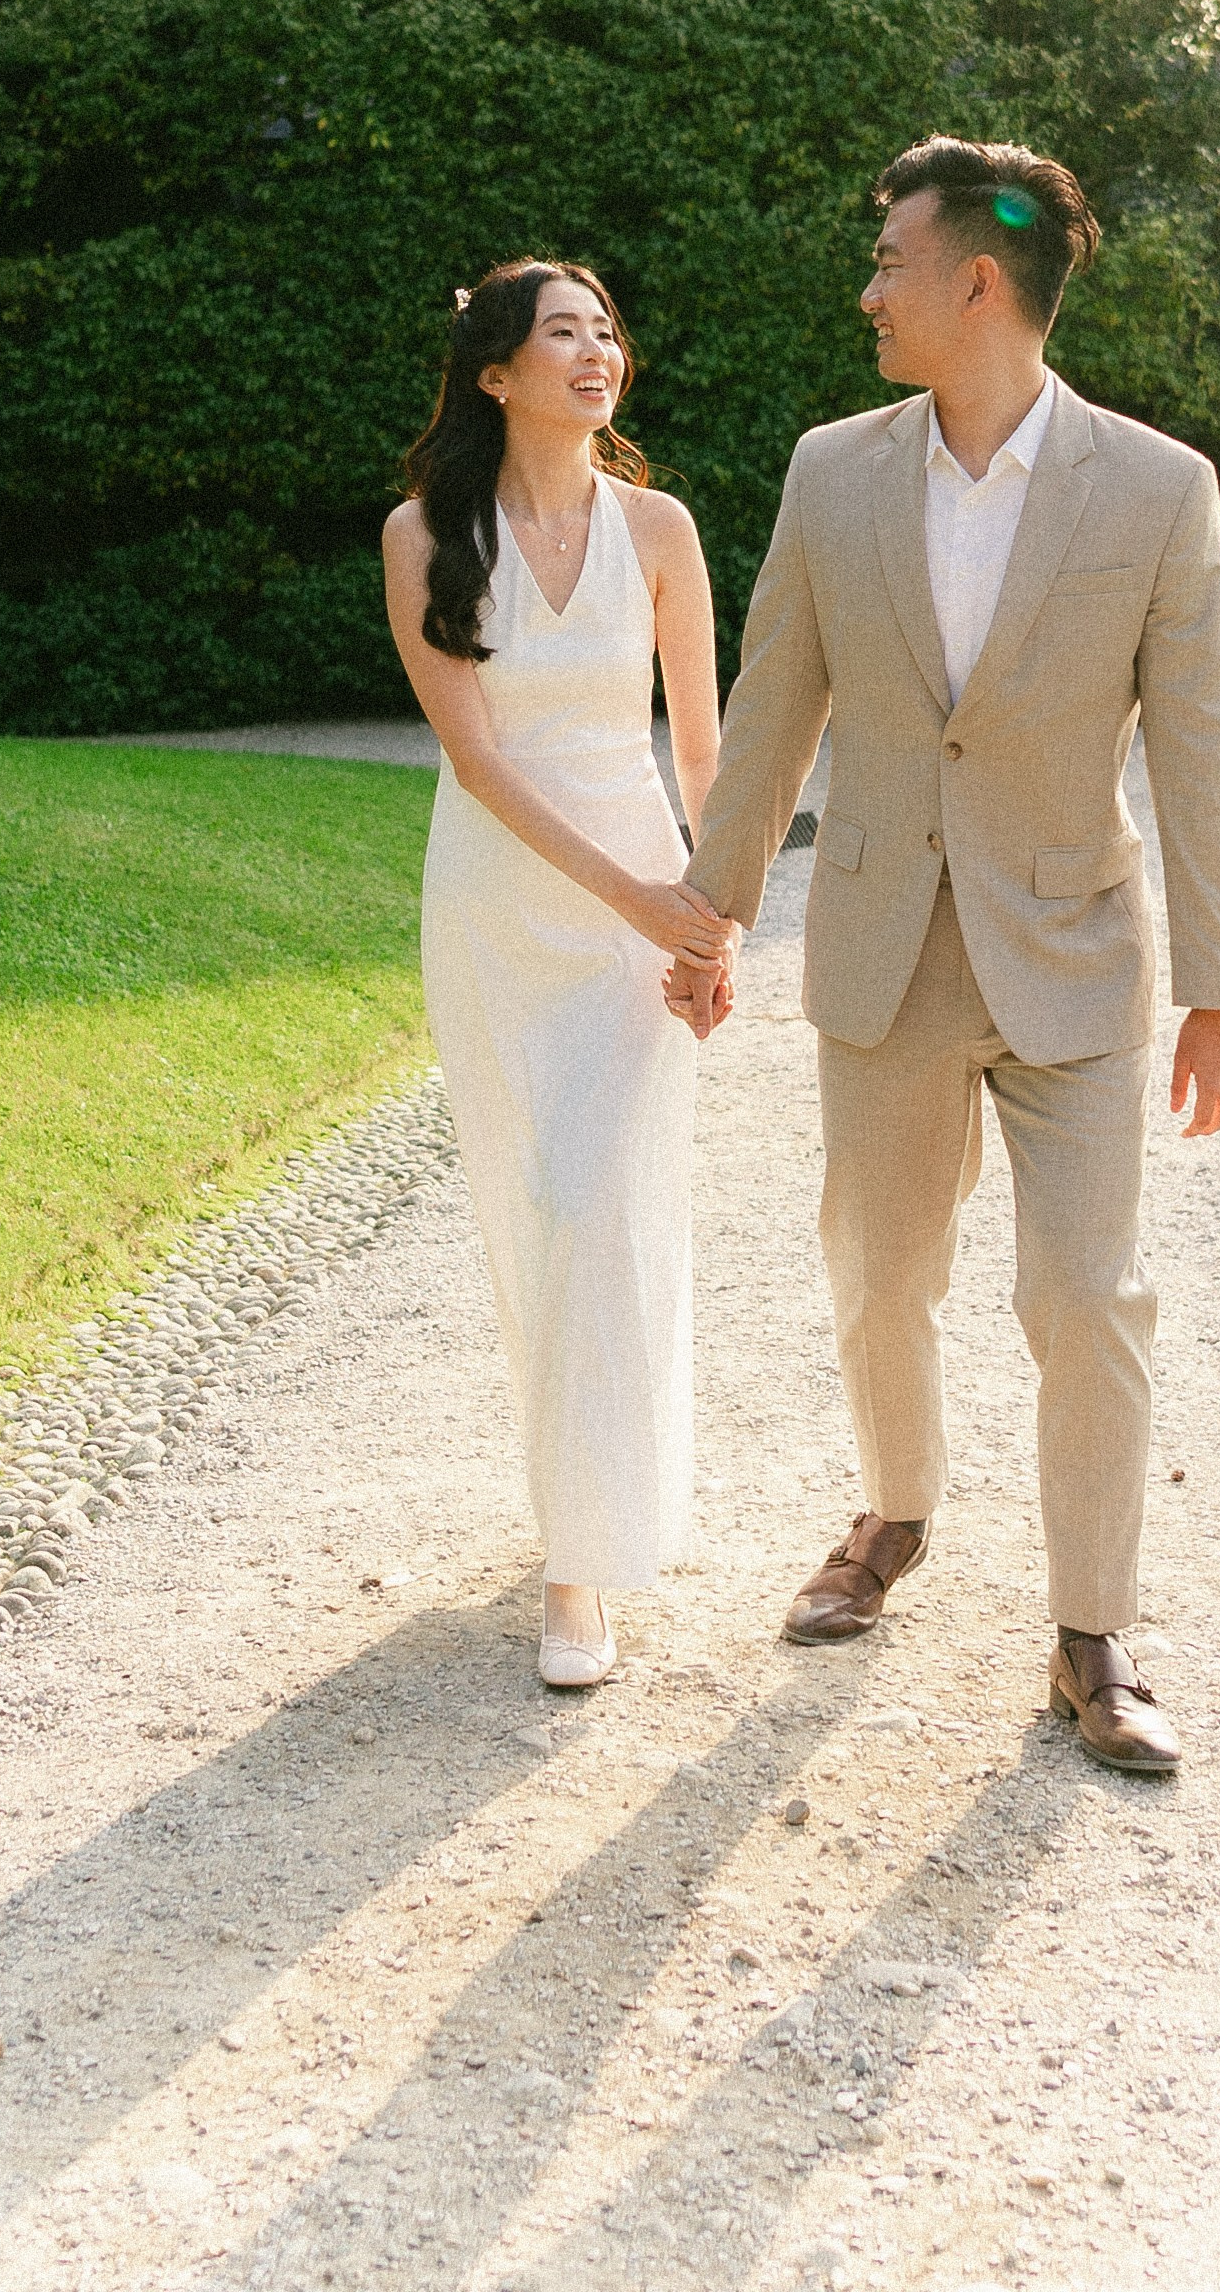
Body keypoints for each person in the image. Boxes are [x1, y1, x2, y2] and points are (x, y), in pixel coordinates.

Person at [666, 138, 1220, 1773]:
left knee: (1089, 1294)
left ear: (977, 281)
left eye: (891, 263)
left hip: (1074, 952)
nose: (869, 291)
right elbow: (777, 700)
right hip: (880, 948)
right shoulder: (829, 472)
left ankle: (1093, 1636)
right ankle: (894, 1515)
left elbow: (1200, 746)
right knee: (880, 1275)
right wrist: (712, 909)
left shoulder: (1156, 488)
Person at [384, 262, 728, 1692]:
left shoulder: (660, 525)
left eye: (606, 332)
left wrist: (710, 917)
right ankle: (585, 1500)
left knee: (603, 1201)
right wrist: (644, 900)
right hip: (500, 907)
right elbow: (479, 758)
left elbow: (704, 751)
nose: (596, 354)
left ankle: (584, 1567)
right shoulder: (425, 533)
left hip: (643, 904)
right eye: (563, 334)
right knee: (535, 1202)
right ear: (496, 374)